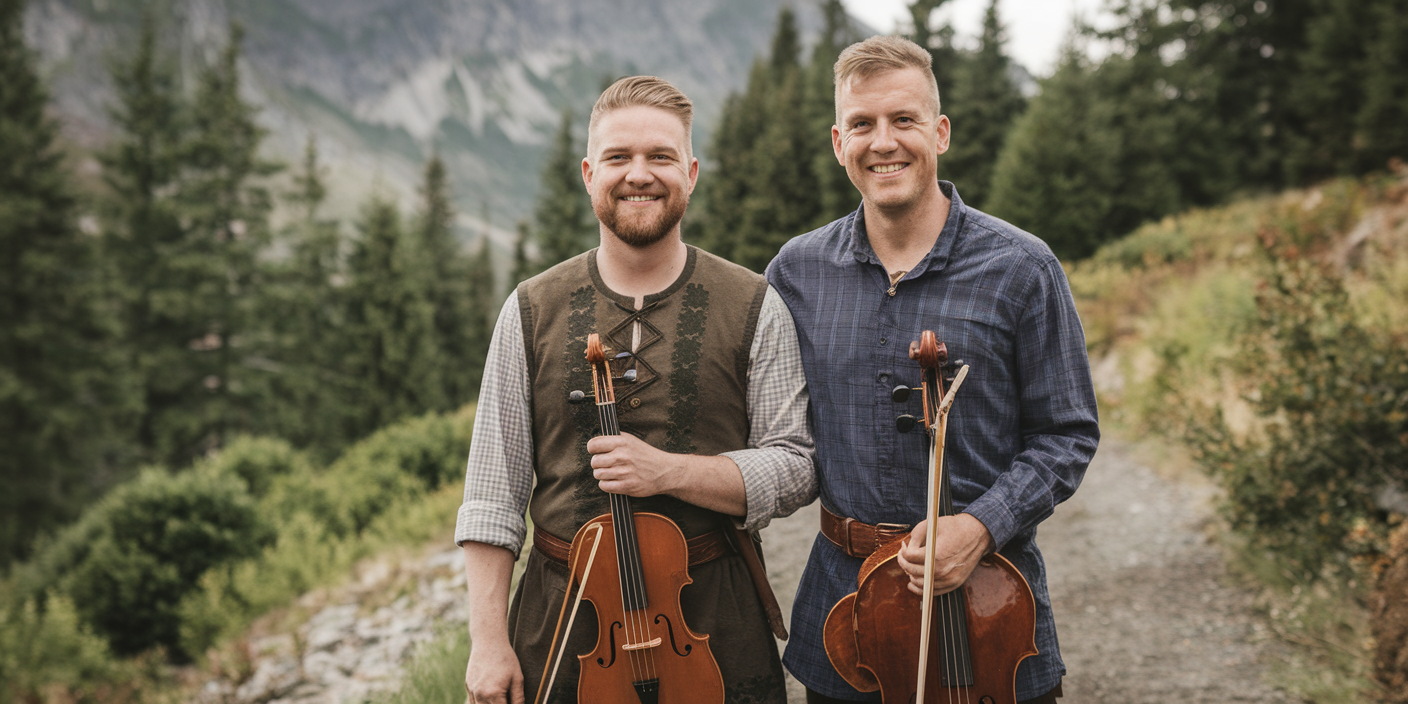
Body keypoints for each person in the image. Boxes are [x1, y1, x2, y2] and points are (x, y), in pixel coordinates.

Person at [457, 75, 814, 704]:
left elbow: (795, 465)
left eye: (661, 157)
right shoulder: (529, 309)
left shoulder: (756, 303)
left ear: (692, 172)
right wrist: (488, 642)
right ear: (590, 173)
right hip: (561, 623)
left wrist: (669, 472)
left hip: (715, 618)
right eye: (619, 158)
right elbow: (493, 494)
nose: (639, 174)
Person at [765, 36, 1100, 704]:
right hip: (845, 609)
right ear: (839, 143)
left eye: (904, 120)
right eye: (862, 124)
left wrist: (980, 525)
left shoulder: (1022, 268)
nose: (882, 141)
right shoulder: (796, 273)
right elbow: (772, 432)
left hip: (990, 605)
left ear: (939, 132)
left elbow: (1067, 434)